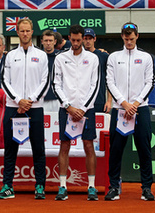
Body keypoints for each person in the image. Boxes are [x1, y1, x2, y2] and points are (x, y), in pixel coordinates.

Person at [0, 18, 49, 199]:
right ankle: (7, 186)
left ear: (32, 32)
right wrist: (18, 100)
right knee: (10, 149)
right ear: (17, 32)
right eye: (22, 31)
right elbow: (5, 81)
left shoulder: (41, 55)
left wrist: (31, 100)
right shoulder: (10, 55)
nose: (25, 34)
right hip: (13, 107)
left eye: (28, 31)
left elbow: (45, 81)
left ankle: (40, 186)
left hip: (35, 107)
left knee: (38, 149)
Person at [105, 22, 155, 201]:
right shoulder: (113, 57)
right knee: (116, 150)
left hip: (140, 109)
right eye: (126, 38)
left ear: (137, 36)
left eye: (132, 38)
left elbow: (150, 82)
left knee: (144, 149)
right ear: (122, 37)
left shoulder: (146, 57)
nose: (129, 42)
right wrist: (124, 103)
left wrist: (135, 103)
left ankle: (147, 188)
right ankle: (113, 187)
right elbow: (110, 82)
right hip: (120, 110)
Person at [53, 24, 100, 201]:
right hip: (67, 109)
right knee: (64, 146)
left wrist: (83, 108)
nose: (76, 43)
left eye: (79, 40)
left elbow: (95, 85)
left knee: (89, 145)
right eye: (73, 40)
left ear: (84, 39)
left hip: (86, 109)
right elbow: (56, 84)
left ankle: (92, 187)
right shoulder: (60, 58)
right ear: (69, 38)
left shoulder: (93, 58)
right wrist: (68, 106)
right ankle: (63, 186)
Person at [83, 28, 112, 113]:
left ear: (94, 39)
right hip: (82, 101)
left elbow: (109, 80)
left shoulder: (103, 56)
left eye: (90, 38)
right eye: (85, 38)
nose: (88, 41)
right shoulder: (78, 56)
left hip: (99, 101)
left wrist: (109, 101)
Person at [42, 29, 61, 112]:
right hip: (41, 99)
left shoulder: (61, 56)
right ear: (42, 41)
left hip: (57, 99)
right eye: (46, 40)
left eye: (50, 40)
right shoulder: (38, 56)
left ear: (55, 42)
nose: (48, 43)